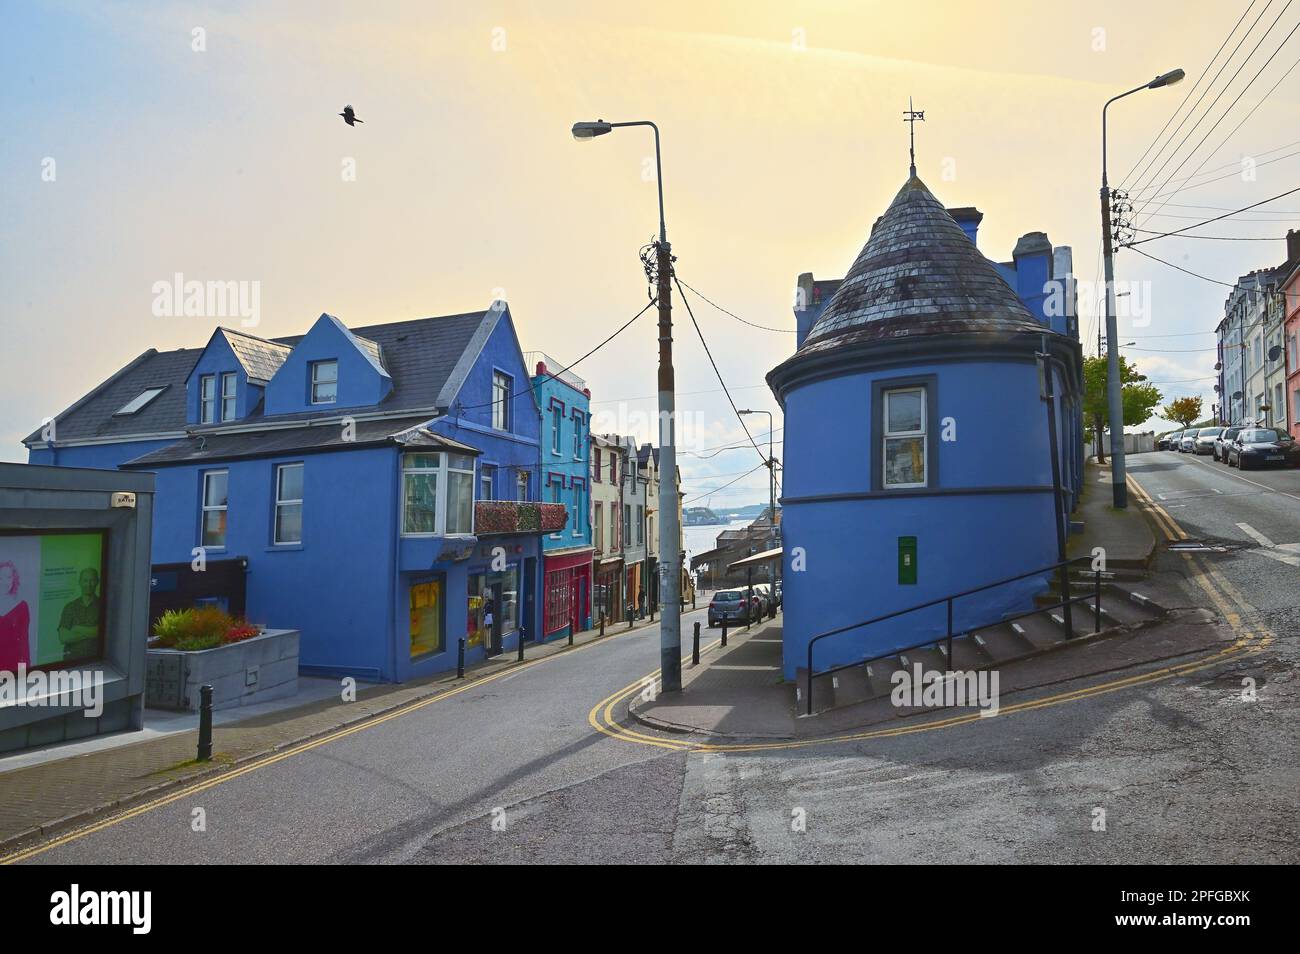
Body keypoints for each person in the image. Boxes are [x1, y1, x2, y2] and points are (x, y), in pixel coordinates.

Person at [57, 567, 101, 662]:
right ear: (80, 582)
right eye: (85, 580)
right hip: (70, 662)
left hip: (95, 662)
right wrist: (92, 632)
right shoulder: (70, 607)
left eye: (92, 580)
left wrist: (77, 628)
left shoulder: (103, 605)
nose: (88, 584)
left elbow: (102, 632)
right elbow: (63, 637)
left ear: (97, 582)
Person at [0, 561, 31, 673]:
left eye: (8, 577)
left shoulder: (22, 607)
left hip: (13, 668)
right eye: (0, 578)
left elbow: (24, 644)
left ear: (14, 579)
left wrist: (23, 674)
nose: (4, 582)